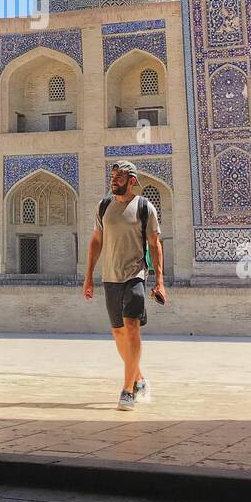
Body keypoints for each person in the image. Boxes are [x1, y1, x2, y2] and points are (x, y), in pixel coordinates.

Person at [84, 161, 166, 411]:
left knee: (132, 329)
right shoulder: (104, 206)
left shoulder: (144, 207)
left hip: (135, 275)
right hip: (110, 277)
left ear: (132, 180)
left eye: (119, 176)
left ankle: (127, 390)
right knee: (118, 333)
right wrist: (88, 276)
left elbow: (155, 244)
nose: (114, 180)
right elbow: (96, 241)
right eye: (112, 175)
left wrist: (160, 281)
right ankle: (139, 379)